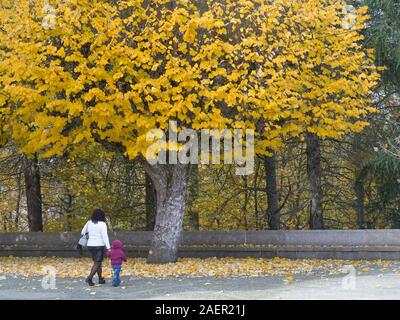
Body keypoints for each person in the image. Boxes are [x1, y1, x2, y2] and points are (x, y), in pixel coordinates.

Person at [81, 208, 111, 286]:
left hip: (90, 245)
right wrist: (108, 248)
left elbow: (82, 232)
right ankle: (89, 278)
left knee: (98, 263)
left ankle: (100, 279)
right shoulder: (102, 224)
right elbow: (105, 237)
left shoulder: (89, 222)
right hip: (99, 245)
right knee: (97, 263)